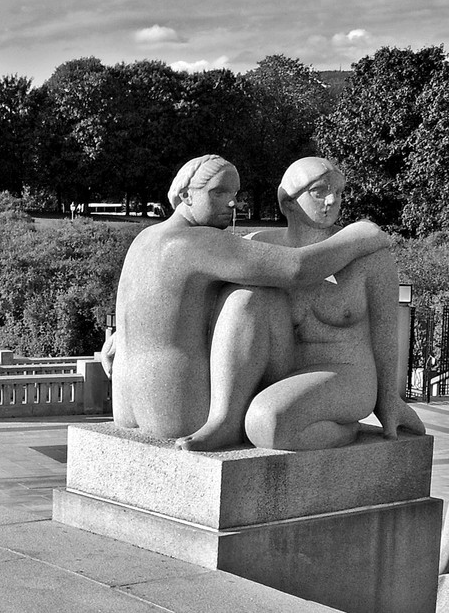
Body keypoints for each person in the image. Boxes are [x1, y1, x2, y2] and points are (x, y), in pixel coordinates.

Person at [110, 154, 390, 440]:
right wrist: (359, 236)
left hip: (125, 397)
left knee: (244, 290)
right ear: (186, 195)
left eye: (234, 194)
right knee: (254, 294)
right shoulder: (199, 241)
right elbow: (296, 269)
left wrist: (120, 336)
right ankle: (226, 421)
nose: (232, 203)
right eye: (218, 193)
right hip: (175, 404)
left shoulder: (145, 238)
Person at [178, 157, 425, 451]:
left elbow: (385, 331)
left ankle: (346, 429)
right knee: (245, 297)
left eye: (340, 191)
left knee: (266, 423)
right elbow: (206, 302)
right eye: (319, 191)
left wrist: (388, 399)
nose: (332, 199)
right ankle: (224, 420)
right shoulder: (260, 243)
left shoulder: (370, 257)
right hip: (283, 373)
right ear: (288, 202)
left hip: (347, 373)